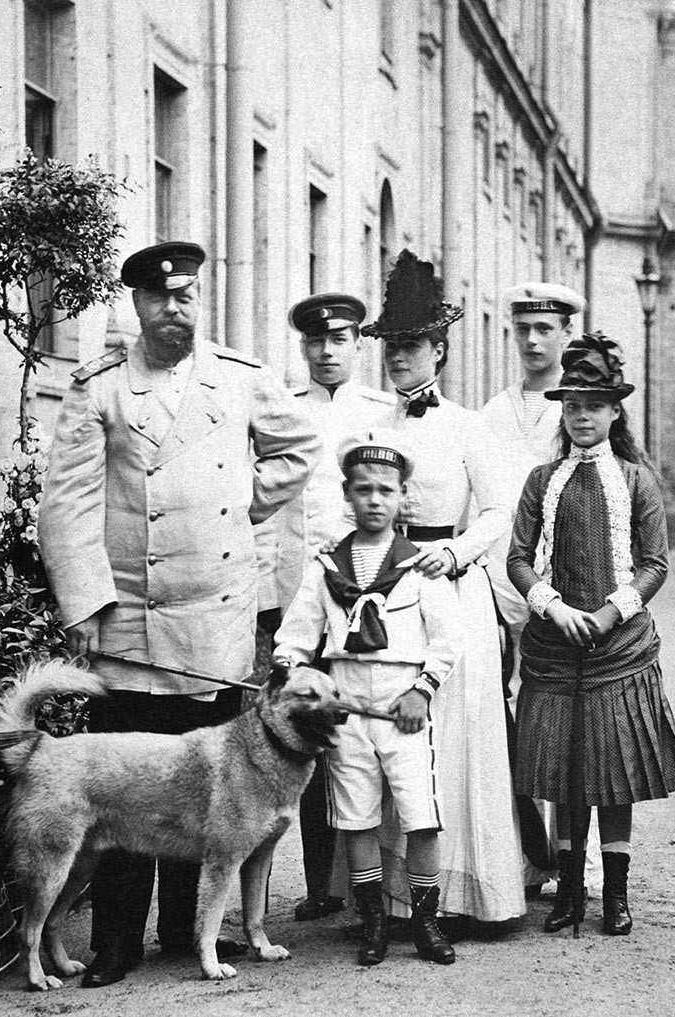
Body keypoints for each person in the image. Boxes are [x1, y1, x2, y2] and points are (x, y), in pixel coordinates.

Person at [37, 240, 320, 987]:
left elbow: (299, 447)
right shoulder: (99, 387)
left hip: (214, 614)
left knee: (206, 782)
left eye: (188, 295)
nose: (176, 309)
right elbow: (66, 500)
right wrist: (85, 599)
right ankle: (116, 942)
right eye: (161, 298)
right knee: (131, 780)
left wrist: (238, 511)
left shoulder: (240, 379)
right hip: (128, 612)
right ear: (136, 303)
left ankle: (185, 931)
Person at [506, 331, 675, 936]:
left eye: (594, 404)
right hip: (556, 644)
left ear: (616, 411)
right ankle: (569, 894)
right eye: (571, 405)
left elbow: (656, 562)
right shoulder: (542, 479)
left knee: (612, 773)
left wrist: (610, 614)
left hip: (620, 647)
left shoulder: (638, 481)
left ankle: (615, 894)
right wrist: (552, 606)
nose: (581, 415)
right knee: (563, 773)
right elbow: (517, 557)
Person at [363, 249, 526, 928]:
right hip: (392, 588)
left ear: (440, 351)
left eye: (411, 346)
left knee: (453, 735)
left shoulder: (468, 425)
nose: (398, 358)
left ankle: (464, 895)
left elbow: (497, 512)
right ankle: (402, 900)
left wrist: (455, 551)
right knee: (398, 734)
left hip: (452, 588)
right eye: (391, 347)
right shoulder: (375, 425)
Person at [273, 433, 461, 966]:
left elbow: (449, 641)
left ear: (403, 497)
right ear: (347, 496)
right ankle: (372, 925)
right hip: (346, 705)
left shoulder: (418, 567)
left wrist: (423, 691)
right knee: (356, 817)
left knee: (420, 814)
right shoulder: (326, 567)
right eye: (363, 490)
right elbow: (295, 637)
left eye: (386, 490)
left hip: (403, 705)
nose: (374, 500)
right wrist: (296, 672)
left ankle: (426, 922)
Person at [256, 293, 393, 922]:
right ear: (303, 347)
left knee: (367, 729)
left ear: (359, 344)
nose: (327, 352)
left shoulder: (382, 412)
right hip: (297, 597)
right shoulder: (281, 411)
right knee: (305, 731)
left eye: (339, 341)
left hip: (365, 601)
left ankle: (377, 883)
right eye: (316, 342)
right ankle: (321, 884)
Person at [479, 282, 583, 911]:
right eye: (524, 330)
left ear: (567, 334)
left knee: (569, 718)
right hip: (501, 584)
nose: (534, 341)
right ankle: (525, 855)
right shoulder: (493, 413)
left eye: (547, 329)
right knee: (507, 721)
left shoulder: (576, 411)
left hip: (563, 587)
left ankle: (580, 858)